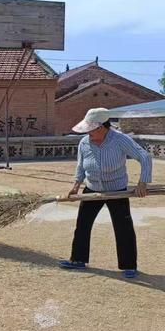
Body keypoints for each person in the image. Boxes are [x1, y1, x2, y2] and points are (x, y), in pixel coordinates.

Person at [59, 107, 152, 278]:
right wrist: (75, 186)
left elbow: (144, 157)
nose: (88, 134)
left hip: (117, 190)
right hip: (92, 189)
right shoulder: (85, 143)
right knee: (82, 225)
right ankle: (78, 260)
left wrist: (142, 182)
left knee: (123, 227)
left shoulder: (120, 140)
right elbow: (80, 166)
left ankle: (129, 265)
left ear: (101, 127)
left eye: (90, 130)